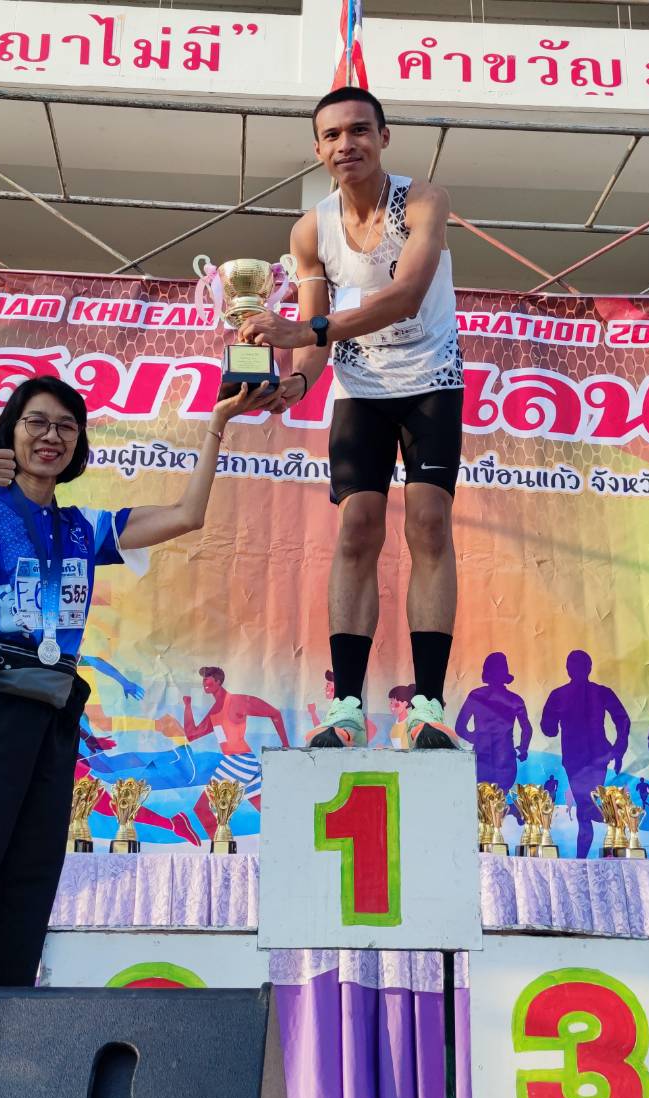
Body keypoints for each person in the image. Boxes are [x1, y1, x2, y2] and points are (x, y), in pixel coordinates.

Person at [0, 376, 265, 986]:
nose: (52, 436)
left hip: (51, 716)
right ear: (10, 432)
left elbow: (187, 515)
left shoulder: (84, 528)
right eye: (37, 422)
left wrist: (217, 425)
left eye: (67, 426)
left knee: (25, 882)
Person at [240, 85, 463, 750]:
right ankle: (345, 708)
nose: (347, 144)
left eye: (359, 130)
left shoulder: (423, 201)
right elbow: (315, 335)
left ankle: (427, 705)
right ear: (318, 150)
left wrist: (305, 330)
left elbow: (405, 296)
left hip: (431, 378)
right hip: (359, 387)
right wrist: (295, 382)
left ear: (383, 138)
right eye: (332, 135)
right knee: (357, 528)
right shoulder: (310, 229)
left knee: (428, 520)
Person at [539, 650, 631, 859]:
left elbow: (622, 720)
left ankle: (592, 850)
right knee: (585, 807)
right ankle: (615, 825)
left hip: (591, 757)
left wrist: (619, 747)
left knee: (584, 807)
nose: (576, 670)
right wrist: (618, 747)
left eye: (577, 666)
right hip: (585, 758)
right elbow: (548, 728)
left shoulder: (563, 694)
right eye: (574, 666)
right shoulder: (566, 695)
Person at [183, 666, 289, 839]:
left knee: (202, 808)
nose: (204, 682)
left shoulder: (238, 701)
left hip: (239, 762)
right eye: (203, 678)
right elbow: (191, 734)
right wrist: (187, 706)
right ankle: (288, 840)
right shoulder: (215, 710)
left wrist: (286, 746)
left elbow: (274, 713)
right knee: (268, 811)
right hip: (239, 762)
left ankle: (221, 847)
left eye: (208, 678)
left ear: (218, 681)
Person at [455, 651, 532, 791]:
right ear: (505, 673)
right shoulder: (515, 700)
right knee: (499, 798)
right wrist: (523, 748)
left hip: (482, 756)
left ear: (486, 672)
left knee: (481, 798)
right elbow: (527, 729)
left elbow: (460, 727)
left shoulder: (476, 696)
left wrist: (477, 738)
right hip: (505, 757)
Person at [387, 684, 414, 749]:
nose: (392, 707)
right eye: (391, 703)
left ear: (405, 703)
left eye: (396, 704)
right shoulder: (395, 724)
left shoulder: (409, 723)